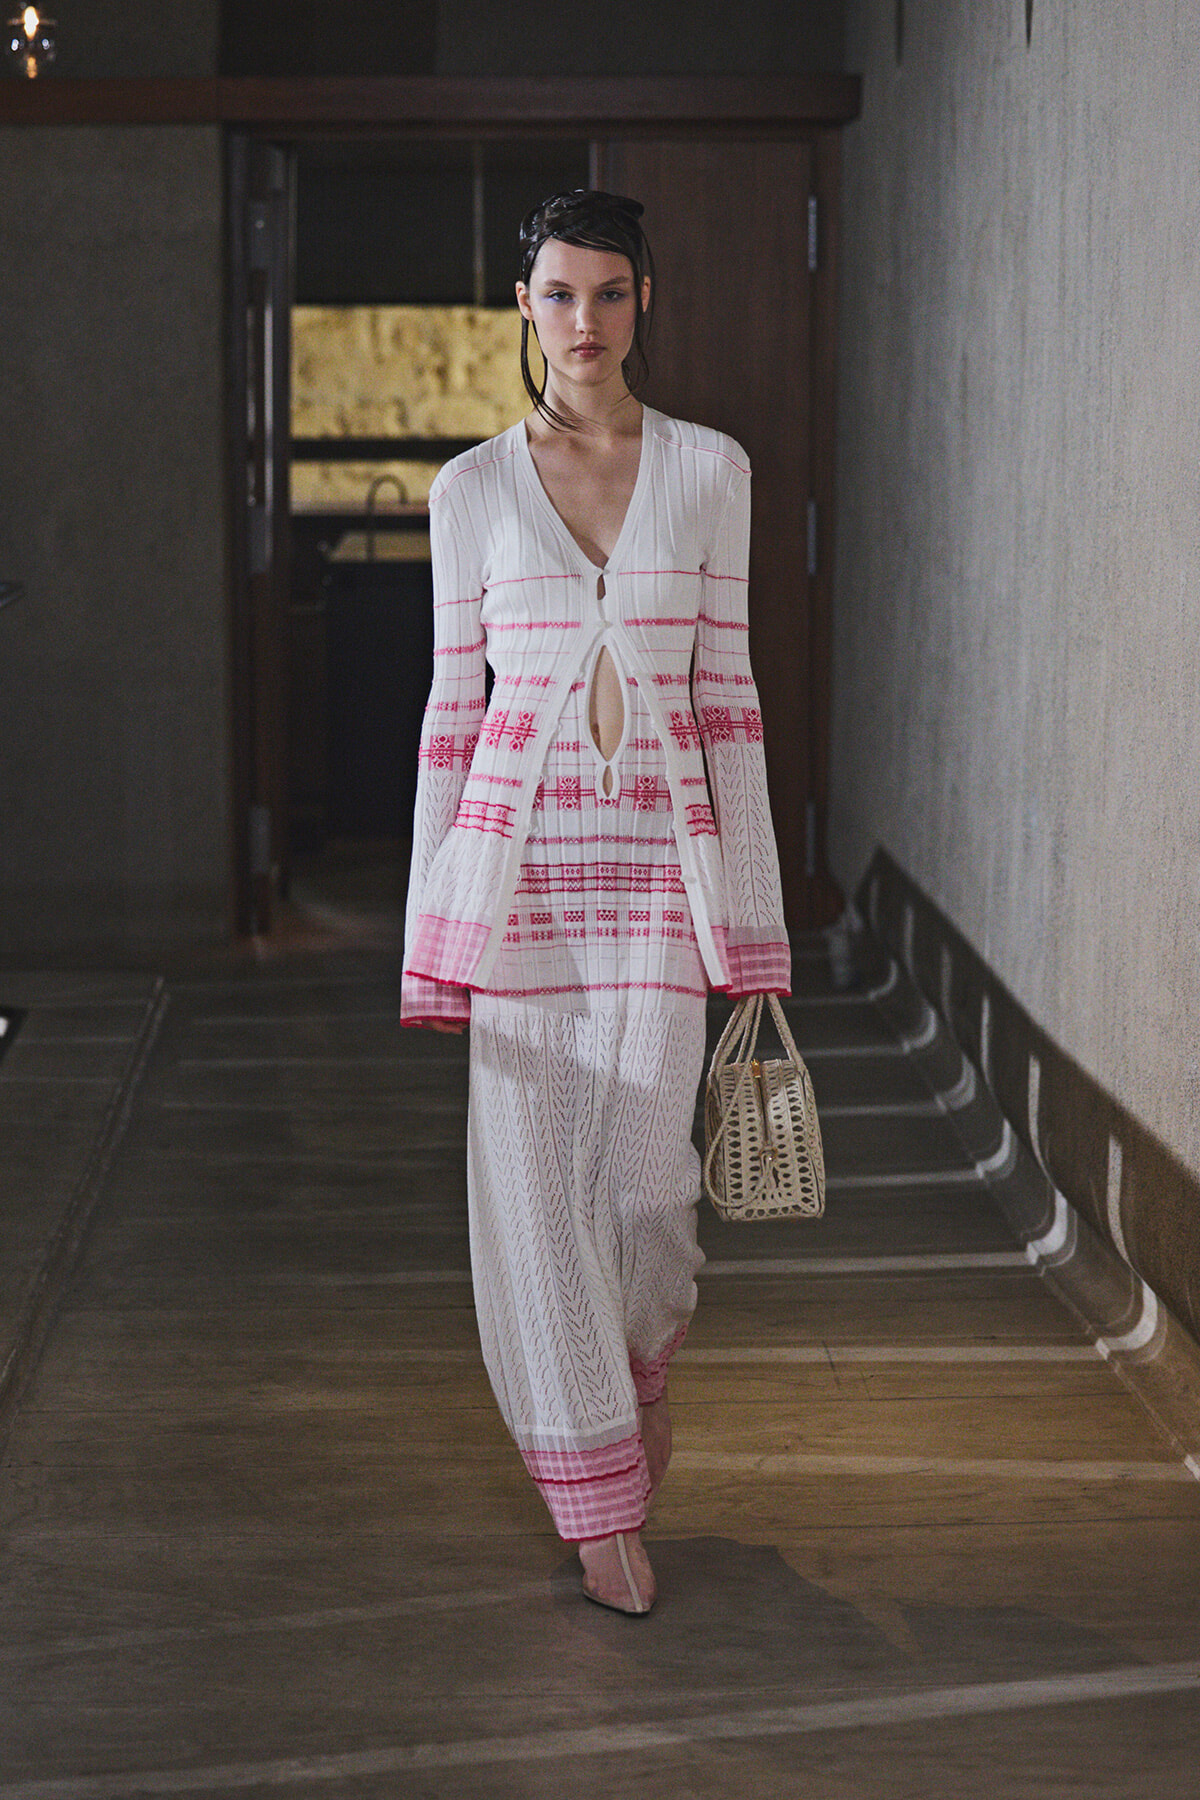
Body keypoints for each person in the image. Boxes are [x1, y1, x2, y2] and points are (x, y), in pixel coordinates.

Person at [401, 189, 789, 1613]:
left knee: (649, 1198)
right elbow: (455, 714)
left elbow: (728, 699)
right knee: (533, 1202)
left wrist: (745, 923)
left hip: (656, 899)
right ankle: (600, 1502)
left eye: (609, 294)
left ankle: (638, 1378)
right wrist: (431, 939)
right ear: (524, 305)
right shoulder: (472, 493)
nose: (584, 323)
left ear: (647, 302)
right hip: (517, 899)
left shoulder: (709, 473)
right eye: (558, 295)